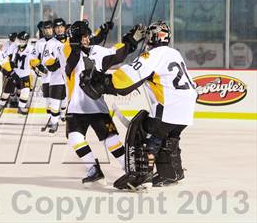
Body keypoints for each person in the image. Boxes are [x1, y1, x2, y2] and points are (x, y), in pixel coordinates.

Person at [80, 21, 197, 189]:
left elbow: (125, 81)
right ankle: (171, 172)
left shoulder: (153, 55)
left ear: (151, 37)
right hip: (186, 108)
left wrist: (101, 82)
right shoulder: (174, 53)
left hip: (169, 107)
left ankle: (141, 175)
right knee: (169, 136)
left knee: (141, 130)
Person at [64, 20, 144, 185]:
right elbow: (71, 59)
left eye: (86, 36)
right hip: (76, 108)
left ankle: (129, 169)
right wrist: (75, 43)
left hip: (97, 107)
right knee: (74, 138)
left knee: (111, 139)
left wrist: (131, 40)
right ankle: (93, 168)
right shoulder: (67, 50)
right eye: (81, 37)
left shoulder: (98, 51)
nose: (85, 39)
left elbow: (117, 54)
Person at [0, 31, 34, 115]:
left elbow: (34, 60)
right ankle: (1, 105)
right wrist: (7, 69)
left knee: (26, 91)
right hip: (14, 73)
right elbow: (5, 56)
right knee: (6, 92)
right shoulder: (14, 46)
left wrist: (37, 67)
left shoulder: (31, 49)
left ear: (27, 41)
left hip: (25, 75)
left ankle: (21, 107)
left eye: (24, 40)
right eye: (20, 40)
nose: (21, 42)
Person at [41, 18, 69, 133]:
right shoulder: (50, 43)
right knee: (55, 102)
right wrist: (56, 63)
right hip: (56, 78)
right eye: (57, 27)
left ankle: (64, 116)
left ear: (64, 27)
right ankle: (54, 123)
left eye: (61, 26)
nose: (59, 29)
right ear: (54, 29)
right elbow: (47, 62)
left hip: (69, 78)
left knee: (67, 101)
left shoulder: (71, 41)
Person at [30, 21, 53, 129]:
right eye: (45, 29)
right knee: (48, 99)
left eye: (49, 28)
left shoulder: (58, 42)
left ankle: (60, 116)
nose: (47, 31)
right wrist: (36, 66)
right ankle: (51, 119)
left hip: (58, 76)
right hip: (46, 76)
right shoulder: (39, 43)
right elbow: (33, 58)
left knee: (60, 99)